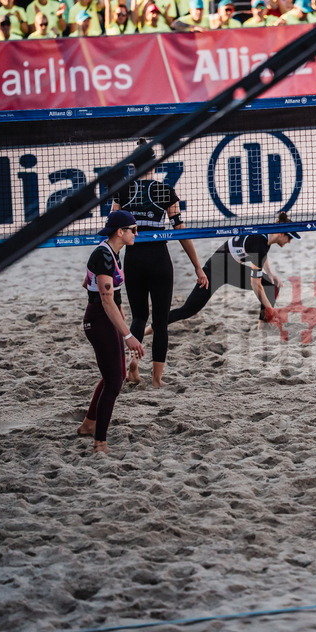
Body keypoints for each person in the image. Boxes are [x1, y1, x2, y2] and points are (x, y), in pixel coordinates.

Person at [113, 175, 207, 388]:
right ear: (154, 165)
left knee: (138, 316)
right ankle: (156, 379)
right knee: (160, 320)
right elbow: (179, 229)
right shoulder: (165, 190)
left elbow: (112, 228)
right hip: (159, 260)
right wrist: (197, 266)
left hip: (133, 259)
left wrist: (111, 263)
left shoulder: (123, 190)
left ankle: (134, 361)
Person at [77, 210, 145, 454]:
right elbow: (105, 299)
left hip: (107, 317)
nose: (137, 233)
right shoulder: (103, 255)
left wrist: (118, 310)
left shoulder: (111, 252)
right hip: (98, 320)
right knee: (115, 382)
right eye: (134, 229)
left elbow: (88, 283)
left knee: (113, 376)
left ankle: (88, 426)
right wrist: (128, 335)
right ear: (120, 232)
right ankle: (100, 444)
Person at [166, 212, 299, 329]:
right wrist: (270, 309)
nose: (289, 242)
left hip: (231, 269)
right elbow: (255, 283)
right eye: (290, 238)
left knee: (270, 284)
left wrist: (269, 273)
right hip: (215, 271)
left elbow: (260, 255)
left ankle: (263, 328)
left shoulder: (265, 234)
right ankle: (151, 328)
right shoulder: (260, 242)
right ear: (281, 233)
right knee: (188, 310)